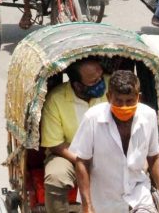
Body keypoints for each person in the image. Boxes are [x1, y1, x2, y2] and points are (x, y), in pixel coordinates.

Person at [70, 70, 159, 213]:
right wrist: (87, 205)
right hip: (103, 200)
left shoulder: (148, 116)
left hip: (138, 194)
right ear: (108, 97)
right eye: (118, 101)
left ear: (138, 98)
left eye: (129, 101)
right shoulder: (92, 118)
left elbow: (154, 156)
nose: (124, 107)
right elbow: (82, 162)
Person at [40, 58, 109, 213]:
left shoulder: (111, 87)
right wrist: (85, 162)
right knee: (55, 177)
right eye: (94, 81)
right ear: (78, 85)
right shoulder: (56, 99)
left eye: (100, 77)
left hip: (109, 150)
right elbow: (56, 144)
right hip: (68, 153)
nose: (101, 83)